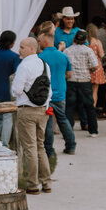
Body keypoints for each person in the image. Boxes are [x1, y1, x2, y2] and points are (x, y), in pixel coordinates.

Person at [11, 36, 51, 194]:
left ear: (32, 49)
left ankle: (33, 185)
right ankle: (46, 182)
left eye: (22, 47)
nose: (19, 50)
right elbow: (49, 89)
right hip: (43, 110)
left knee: (30, 148)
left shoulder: (24, 66)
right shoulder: (44, 65)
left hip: (26, 110)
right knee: (40, 146)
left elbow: (17, 90)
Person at [37, 22, 76, 163]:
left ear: (45, 40)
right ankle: (71, 146)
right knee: (63, 119)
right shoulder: (63, 56)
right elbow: (70, 74)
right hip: (60, 93)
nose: (39, 43)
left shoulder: (40, 57)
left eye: (40, 40)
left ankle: (49, 150)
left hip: (46, 95)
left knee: (47, 123)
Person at [64, 30, 100, 136]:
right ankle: (93, 130)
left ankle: (68, 131)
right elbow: (95, 66)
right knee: (89, 106)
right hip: (85, 80)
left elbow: (64, 65)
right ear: (85, 40)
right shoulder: (88, 50)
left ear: (74, 38)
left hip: (71, 80)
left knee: (69, 106)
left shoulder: (67, 51)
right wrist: (89, 70)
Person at [84, 22, 106, 112]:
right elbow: (101, 55)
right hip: (96, 67)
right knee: (95, 91)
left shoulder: (85, 42)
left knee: (87, 91)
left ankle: (86, 109)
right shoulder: (97, 42)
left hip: (86, 67)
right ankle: (92, 109)